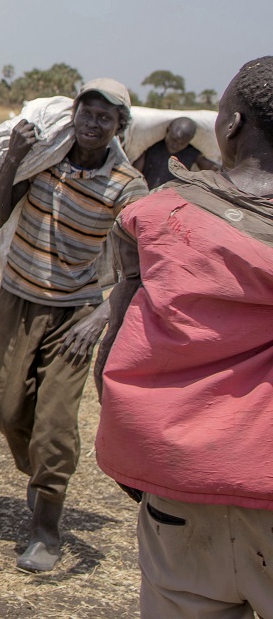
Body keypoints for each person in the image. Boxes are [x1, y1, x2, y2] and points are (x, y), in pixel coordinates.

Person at [94, 58, 273, 618]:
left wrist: (148, 470)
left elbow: (113, 358)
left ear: (232, 124)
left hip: (179, 493)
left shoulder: (159, 217)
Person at [0, 78, 147, 572]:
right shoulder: (44, 160)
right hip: (16, 300)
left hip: (75, 314)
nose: (92, 124)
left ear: (120, 127)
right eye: (87, 112)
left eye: (105, 118)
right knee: (10, 410)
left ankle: (46, 528)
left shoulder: (127, 185)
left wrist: (100, 316)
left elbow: (141, 268)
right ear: (73, 113)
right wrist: (13, 158)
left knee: (54, 422)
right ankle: (40, 478)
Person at [131, 116, 220, 189]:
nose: (175, 145)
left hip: (171, 198)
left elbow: (212, 169)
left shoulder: (191, 153)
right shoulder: (152, 147)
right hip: (145, 193)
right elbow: (136, 173)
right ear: (168, 130)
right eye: (173, 139)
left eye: (182, 143)